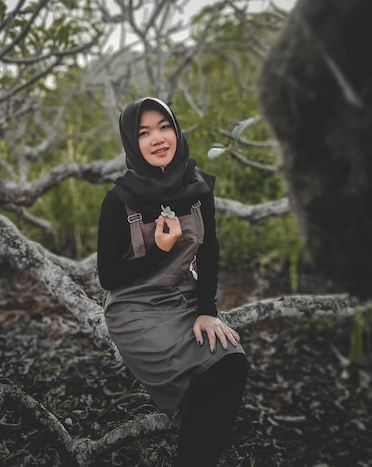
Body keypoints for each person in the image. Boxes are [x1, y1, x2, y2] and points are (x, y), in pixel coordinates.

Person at [97, 97, 249, 466]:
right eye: (144, 133)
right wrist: (161, 250)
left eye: (165, 127)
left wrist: (206, 311)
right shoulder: (119, 201)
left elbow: (209, 253)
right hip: (134, 309)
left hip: (180, 296)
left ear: (177, 131)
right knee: (205, 388)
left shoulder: (198, 189)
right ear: (133, 144)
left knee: (233, 363)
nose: (158, 139)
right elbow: (108, 277)